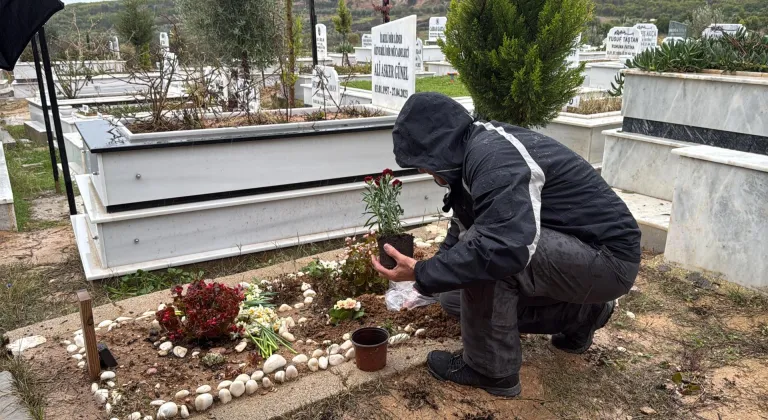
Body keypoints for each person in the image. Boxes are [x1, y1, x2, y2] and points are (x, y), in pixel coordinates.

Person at [370, 92, 641, 397]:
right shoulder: (470, 157)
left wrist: (422, 270)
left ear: (439, 146)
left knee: (488, 254)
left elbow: (503, 246)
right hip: (578, 257)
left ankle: (490, 369)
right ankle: (583, 315)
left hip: (608, 259)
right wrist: (425, 284)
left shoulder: (493, 156)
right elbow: (463, 229)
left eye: (421, 161)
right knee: (452, 297)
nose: (423, 171)